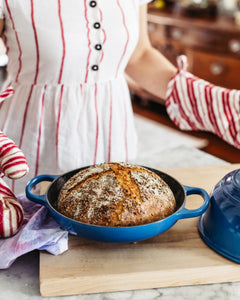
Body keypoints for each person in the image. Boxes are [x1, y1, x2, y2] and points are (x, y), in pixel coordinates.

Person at [0, 0, 239, 199]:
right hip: (31, 140)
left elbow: (139, 56)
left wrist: (208, 99)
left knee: (109, 219)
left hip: (111, 131)